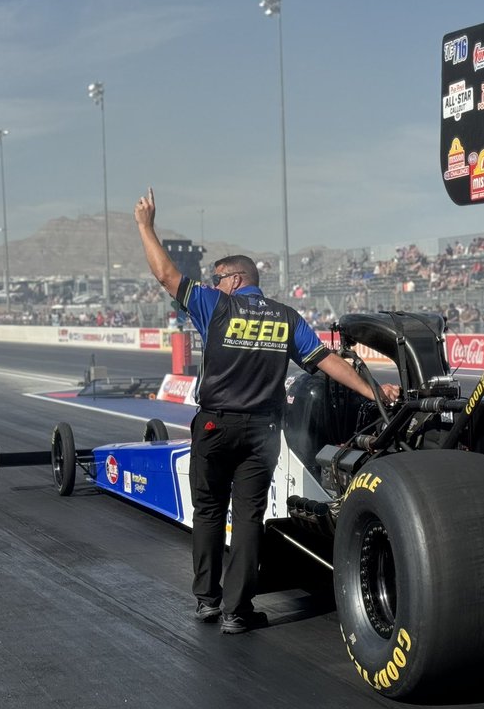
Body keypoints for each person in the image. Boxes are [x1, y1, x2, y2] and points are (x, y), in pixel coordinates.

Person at [134, 187, 399, 632]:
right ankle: (238, 612)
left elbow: (165, 275)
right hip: (262, 432)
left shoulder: (216, 304)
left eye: (219, 278)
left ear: (235, 279)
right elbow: (327, 362)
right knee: (249, 516)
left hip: (216, 424)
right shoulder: (286, 316)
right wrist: (374, 392)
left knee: (209, 513)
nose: (214, 284)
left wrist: (145, 226)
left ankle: (207, 602)